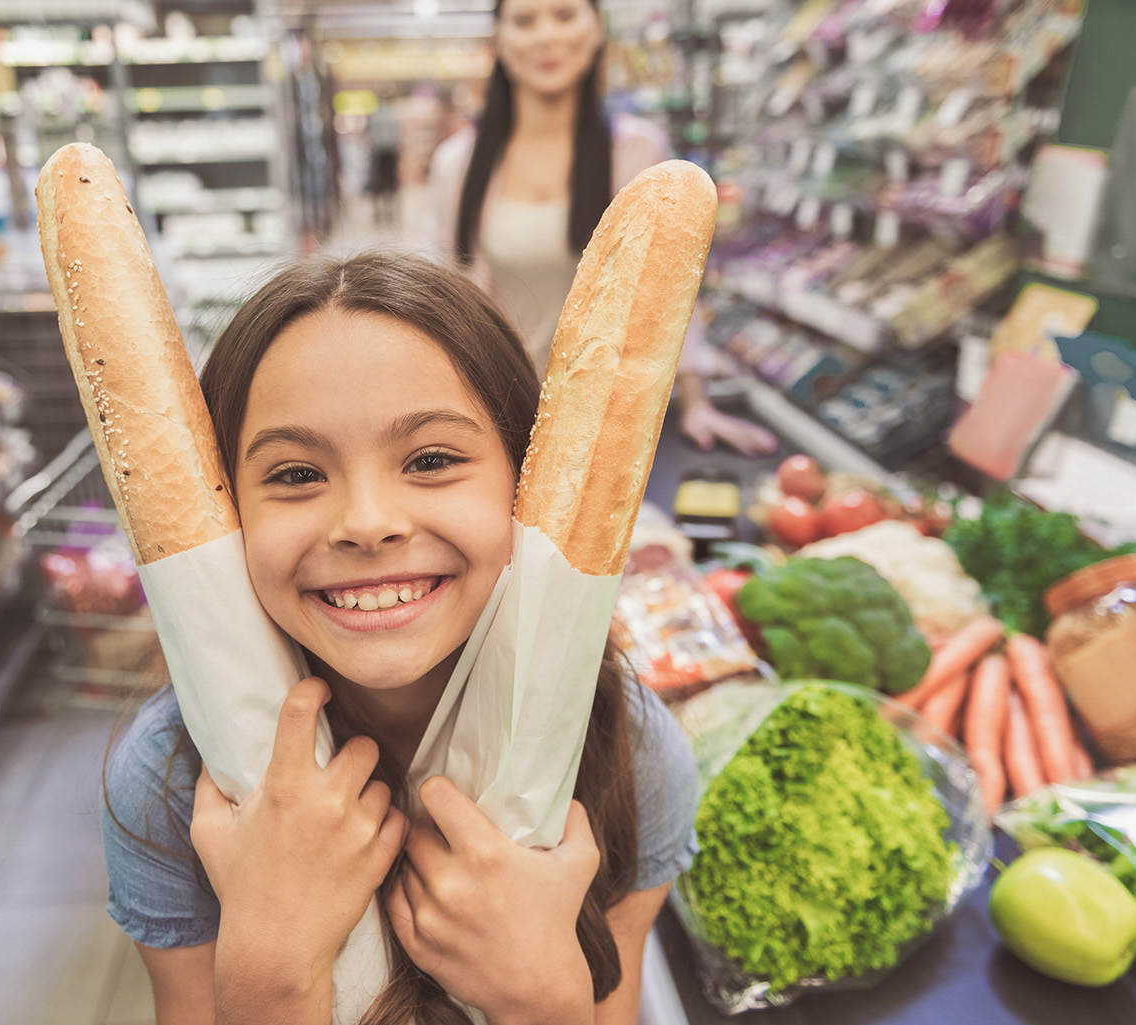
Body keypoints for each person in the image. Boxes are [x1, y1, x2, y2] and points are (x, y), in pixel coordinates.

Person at [101, 252, 700, 1025]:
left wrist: (544, 998)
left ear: (529, 481)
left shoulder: (629, 747)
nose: (367, 522)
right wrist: (270, 966)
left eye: (431, 459)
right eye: (294, 474)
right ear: (226, 514)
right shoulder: (170, 778)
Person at [428, 0, 777, 457]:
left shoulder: (634, 150)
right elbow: (444, 302)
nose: (546, 36)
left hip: (607, 430)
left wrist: (696, 401)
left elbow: (668, 288)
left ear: (596, 29)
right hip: (500, 419)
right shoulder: (459, 164)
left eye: (565, 14)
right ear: (499, 39)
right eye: (525, 20)